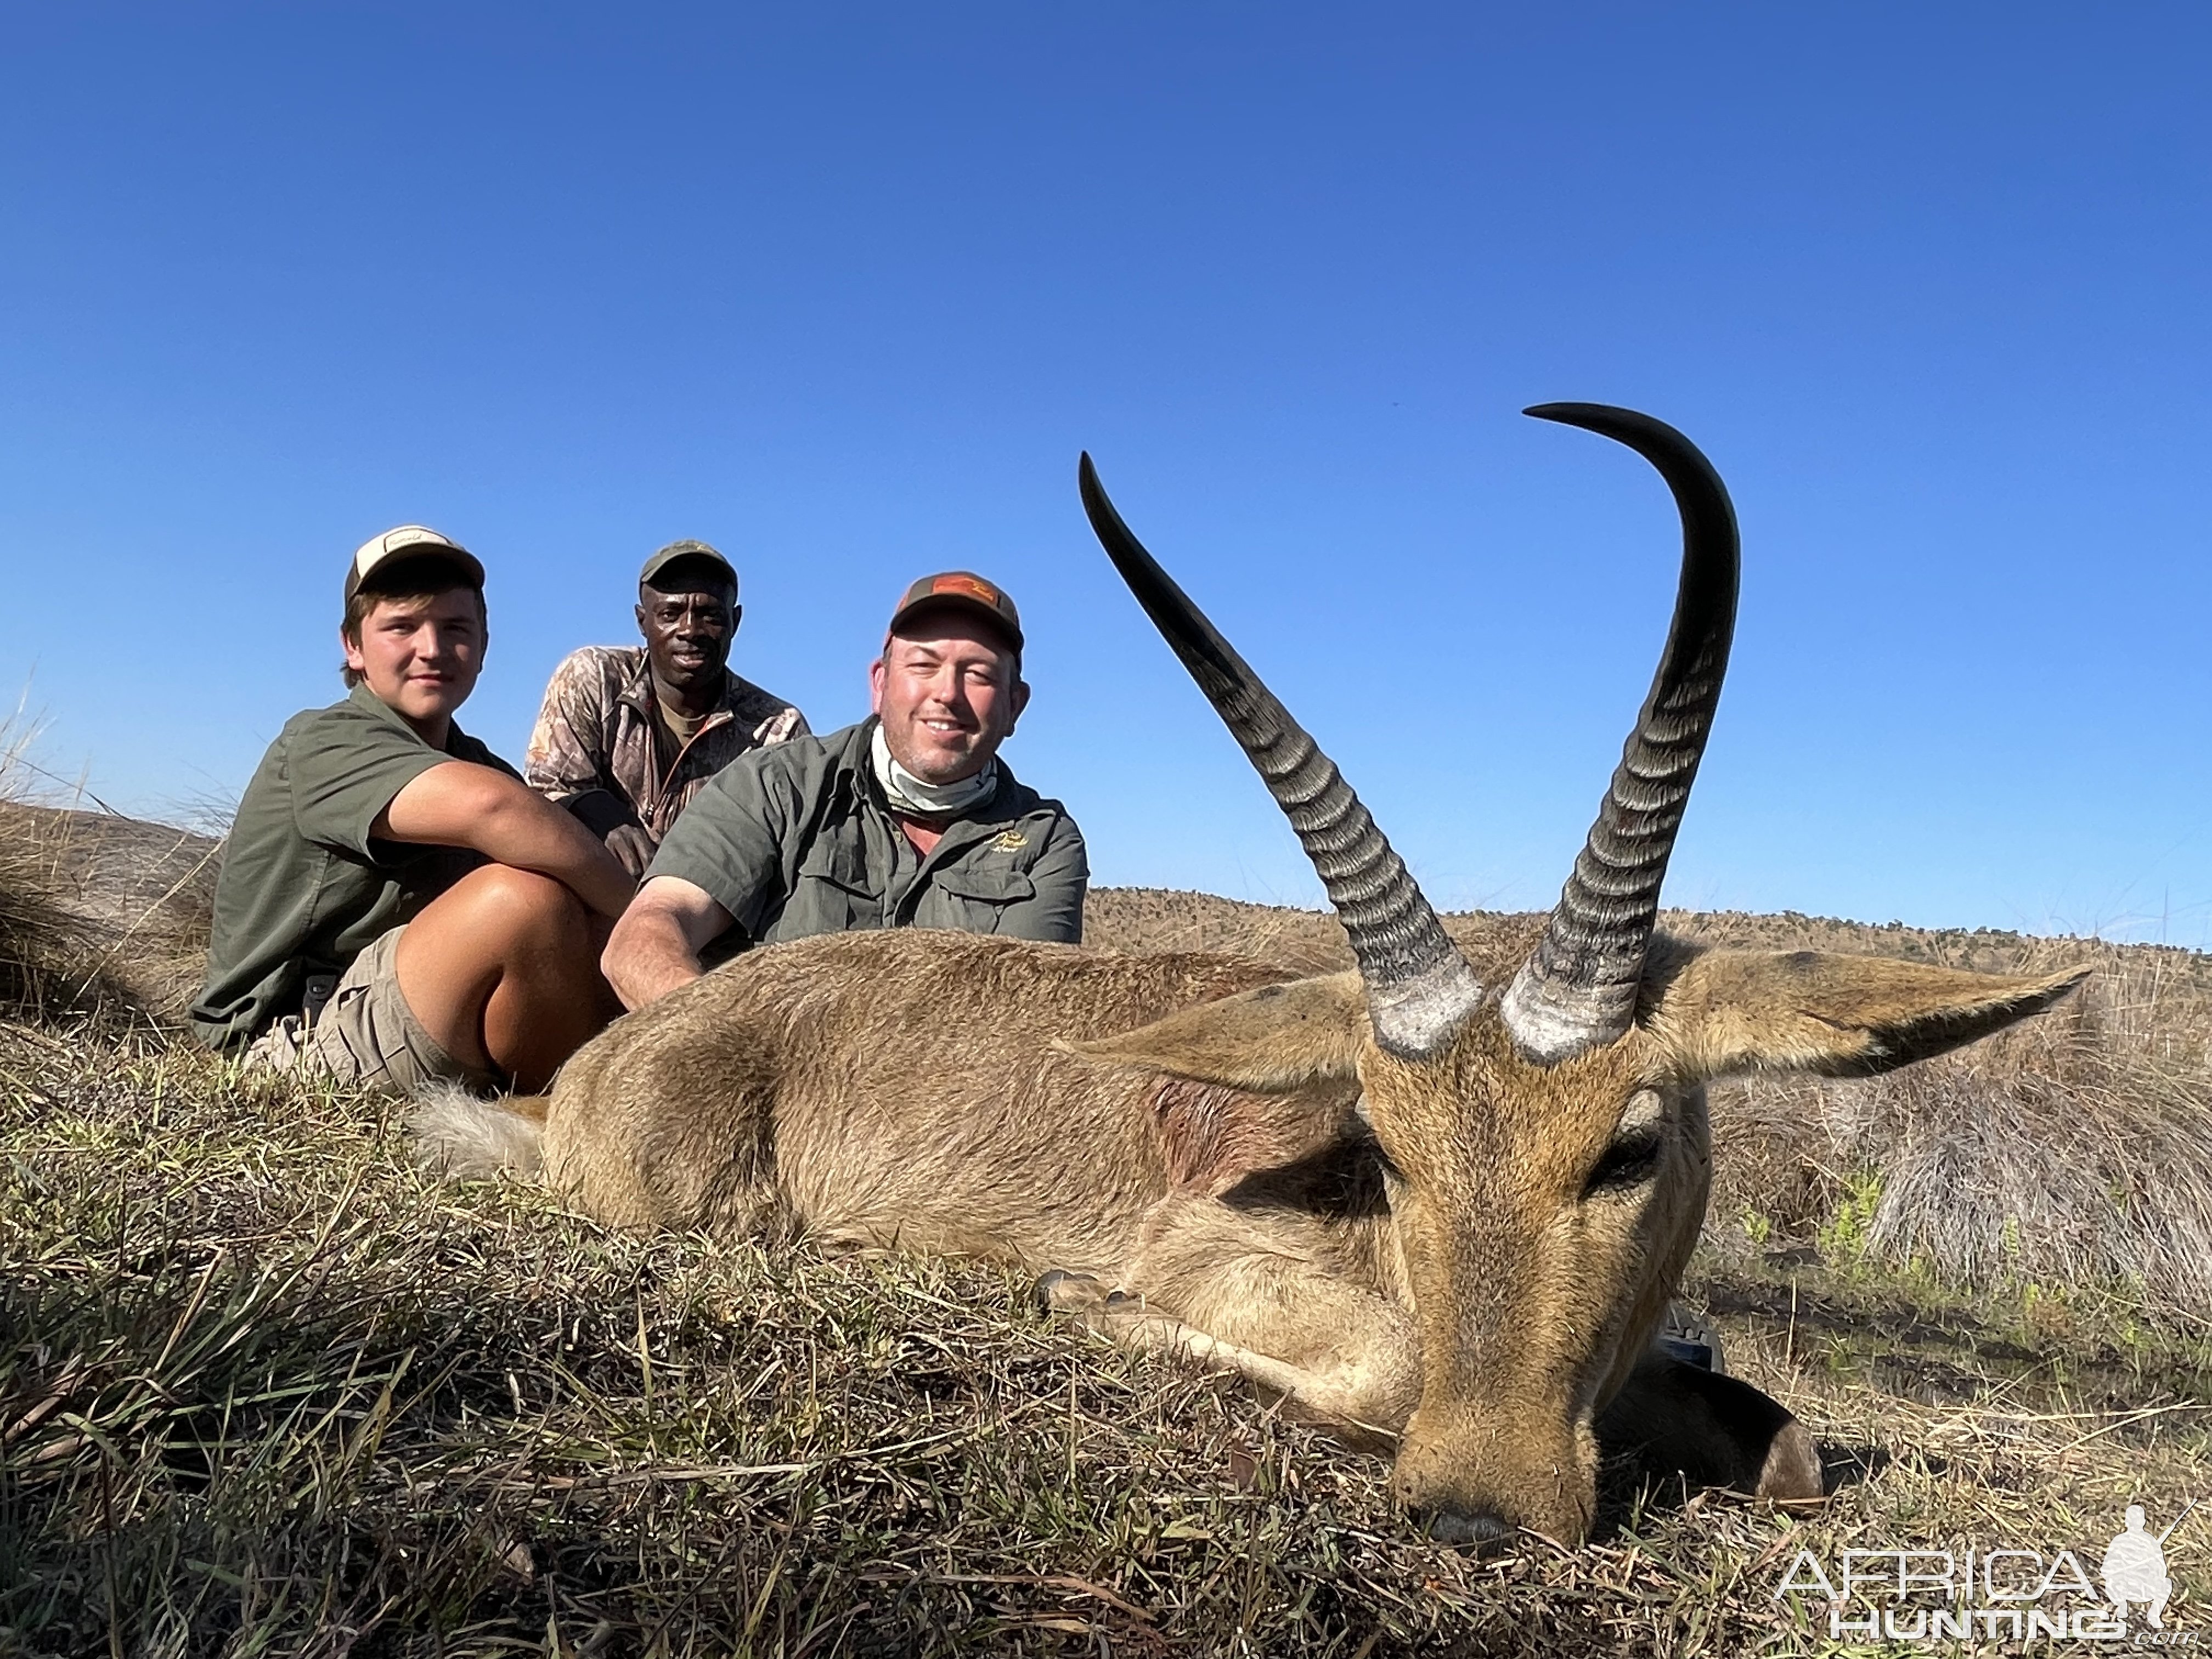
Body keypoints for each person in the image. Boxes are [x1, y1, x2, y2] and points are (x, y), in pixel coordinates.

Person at [190, 527, 632, 1095]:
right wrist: (645, 925)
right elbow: (494, 810)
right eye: (401, 627)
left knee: (573, 899)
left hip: (406, 1007)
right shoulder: (324, 740)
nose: (432, 649)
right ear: (353, 646)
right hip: (288, 1042)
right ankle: (568, 1113)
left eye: (455, 629)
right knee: (523, 902)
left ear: (484, 645)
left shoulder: (474, 758)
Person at [602, 570, 1086, 1008]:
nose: (948, 693)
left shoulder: (1045, 842)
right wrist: (724, 1051)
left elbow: (1022, 1018)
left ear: (1015, 706)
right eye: (923, 665)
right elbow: (644, 938)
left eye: (978, 674)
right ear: (880, 684)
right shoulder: (775, 784)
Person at [526, 540, 806, 877]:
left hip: (707, 911)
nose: (690, 630)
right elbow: (547, 789)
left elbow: (785, 846)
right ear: (642, 621)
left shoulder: (777, 730)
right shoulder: (593, 677)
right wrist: (602, 814)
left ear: (736, 620)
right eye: (670, 615)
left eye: (710, 616)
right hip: (593, 888)